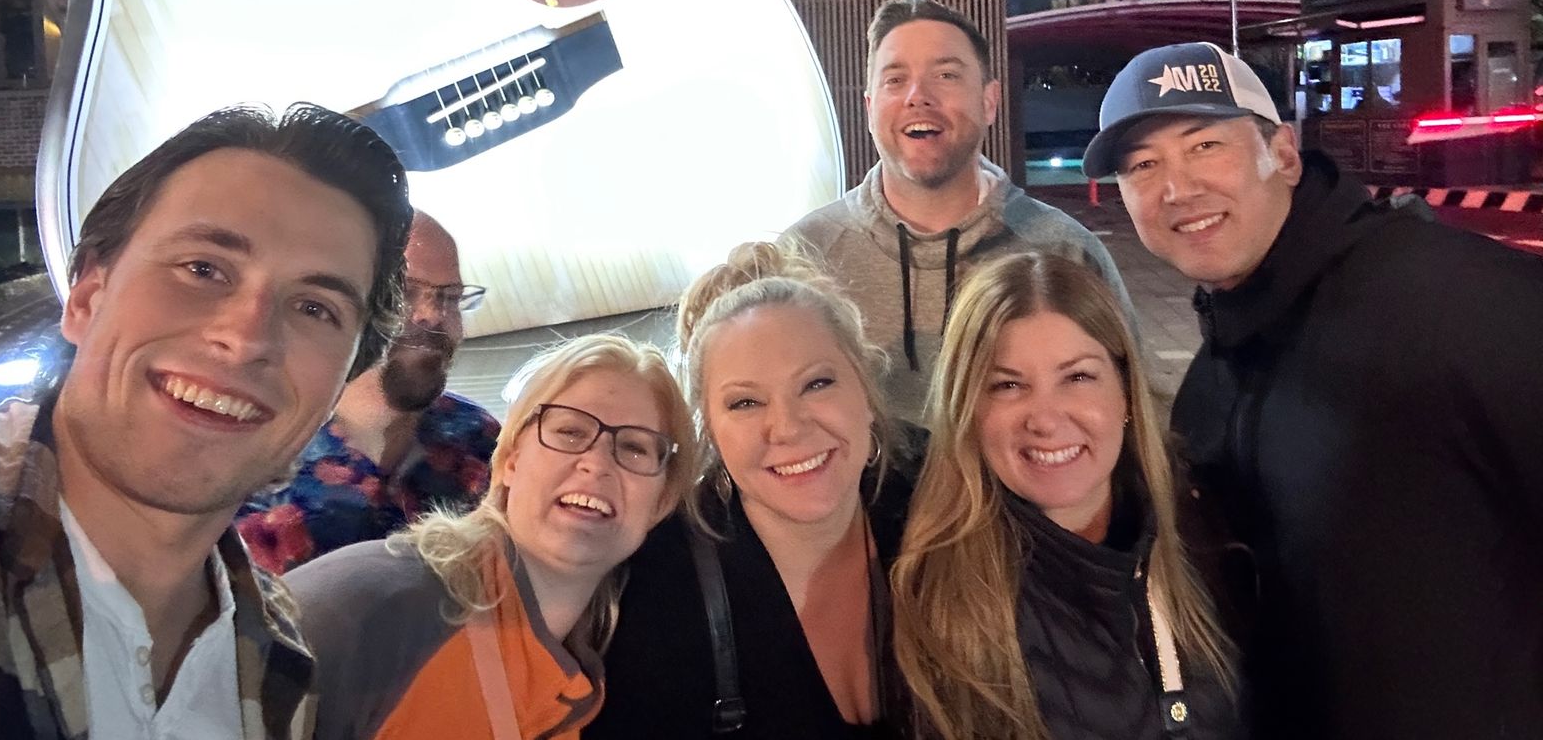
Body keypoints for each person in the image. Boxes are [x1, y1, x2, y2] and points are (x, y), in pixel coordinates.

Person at [1085, 40, 1543, 739]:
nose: (1177, 188)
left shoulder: (1459, 303)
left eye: (1205, 145)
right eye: (1142, 166)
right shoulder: (1213, 382)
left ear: (1284, 154)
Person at [0, 104, 413, 739]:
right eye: (203, 269)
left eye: (314, 308)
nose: (246, 339)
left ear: (337, 388)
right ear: (86, 298)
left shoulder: (281, 670)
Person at [891, 251, 1241, 739]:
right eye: (1007, 385)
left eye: (1077, 377)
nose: (1045, 419)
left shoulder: (1202, 535)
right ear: (967, 410)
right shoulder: (934, 605)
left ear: (1125, 392)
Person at [587, 241, 922, 739]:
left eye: (816, 384)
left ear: (867, 392)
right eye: (745, 403)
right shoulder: (659, 592)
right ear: (709, 431)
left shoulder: (938, 500)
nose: (787, 427)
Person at [287, 333, 696, 740]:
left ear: (661, 500)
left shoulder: (595, 682)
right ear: (511, 460)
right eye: (570, 431)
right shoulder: (371, 607)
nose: (597, 463)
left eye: (635, 448)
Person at [786, 0, 1133, 420]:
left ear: (989, 101)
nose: (918, 96)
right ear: (870, 109)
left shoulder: (1067, 254)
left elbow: (1130, 414)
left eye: (946, 75)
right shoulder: (804, 258)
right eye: (895, 80)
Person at [238, 210, 501, 573]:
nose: (432, 315)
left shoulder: (481, 440)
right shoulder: (248, 453)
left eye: (450, 297)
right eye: (403, 293)